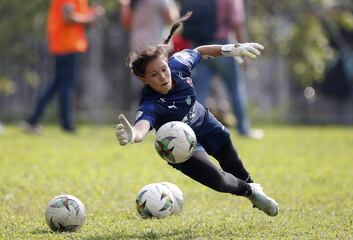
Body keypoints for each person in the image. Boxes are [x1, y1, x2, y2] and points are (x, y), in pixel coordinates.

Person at [115, 13, 279, 217]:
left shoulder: (179, 65)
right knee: (218, 181)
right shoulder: (151, 103)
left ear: (168, 63)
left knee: (230, 158)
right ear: (144, 79)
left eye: (163, 69)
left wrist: (232, 49)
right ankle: (250, 191)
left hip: (204, 122)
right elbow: (142, 126)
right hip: (180, 148)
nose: (162, 77)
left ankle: (253, 188)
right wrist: (133, 134)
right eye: (154, 75)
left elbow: (199, 51)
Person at [179, 0, 264, 139]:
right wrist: (244, 53)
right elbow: (237, 24)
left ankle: (190, 128)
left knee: (199, 91)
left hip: (201, 48)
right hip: (224, 47)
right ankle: (243, 128)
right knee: (235, 88)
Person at [23, 0, 105, 133]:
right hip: (66, 46)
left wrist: (92, 14)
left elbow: (83, 22)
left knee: (57, 84)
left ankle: (33, 120)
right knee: (65, 86)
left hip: (69, 46)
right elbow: (68, 18)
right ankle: (66, 125)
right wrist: (92, 16)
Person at [119, 0, 179, 110]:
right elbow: (171, 18)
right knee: (166, 83)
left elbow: (126, 23)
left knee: (143, 87)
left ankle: (143, 115)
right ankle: (168, 114)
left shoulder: (130, 2)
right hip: (159, 50)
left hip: (138, 52)